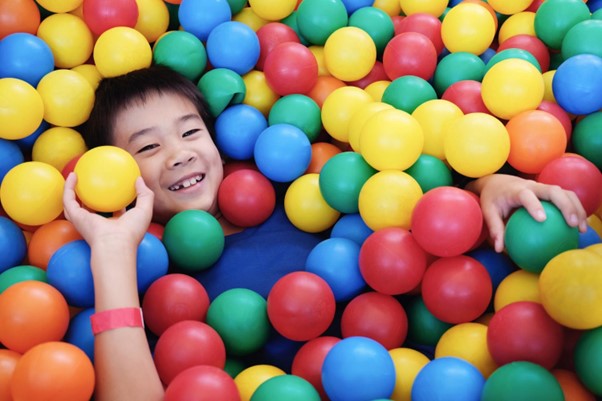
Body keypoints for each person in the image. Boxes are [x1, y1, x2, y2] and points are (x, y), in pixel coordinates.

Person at [62, 65, 587, 401]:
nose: (179, 152)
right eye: (147, 148)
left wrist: (487, 181)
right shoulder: (150, 278)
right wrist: (112, 253)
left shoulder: (299, 190)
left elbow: (416, 199)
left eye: (191, 131)